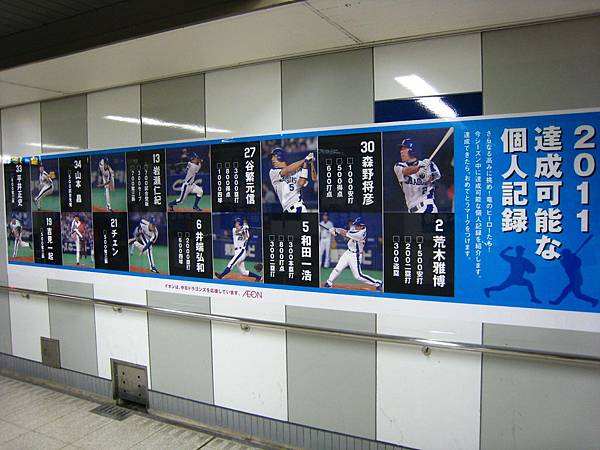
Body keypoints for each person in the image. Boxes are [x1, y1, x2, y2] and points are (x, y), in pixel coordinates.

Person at [324, 217, 382, 290]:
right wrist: (336, 231)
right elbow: (346, 233)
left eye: (357, 225)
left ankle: (378, 283)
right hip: (348, 252)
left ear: (362, 226)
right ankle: (329, 282)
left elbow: (345, 233)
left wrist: (335, 229)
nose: (355, 226)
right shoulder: (357, 229)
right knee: (338, 268)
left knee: (358, 276)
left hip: (355, 255)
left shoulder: (360, 234)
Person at [393, 138, 441, 213]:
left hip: (427, 206)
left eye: (404, 148)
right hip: (411, 210)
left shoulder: (428, 164)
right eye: (401, 149)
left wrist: (426, 176)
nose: (401, 151)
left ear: (412, 150)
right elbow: (406, 171)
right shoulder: (398, 166)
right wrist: (419, 168)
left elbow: (435, 177)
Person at [269, 147, 312, 213]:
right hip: (286, 210)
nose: (272, 159)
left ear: (280, 156)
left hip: (298, 206)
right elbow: (286, 170)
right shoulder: (273, 172)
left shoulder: (296, 170)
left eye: (274, 156)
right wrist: (304, 160)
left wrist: (305, 164)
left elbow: (301, 183)